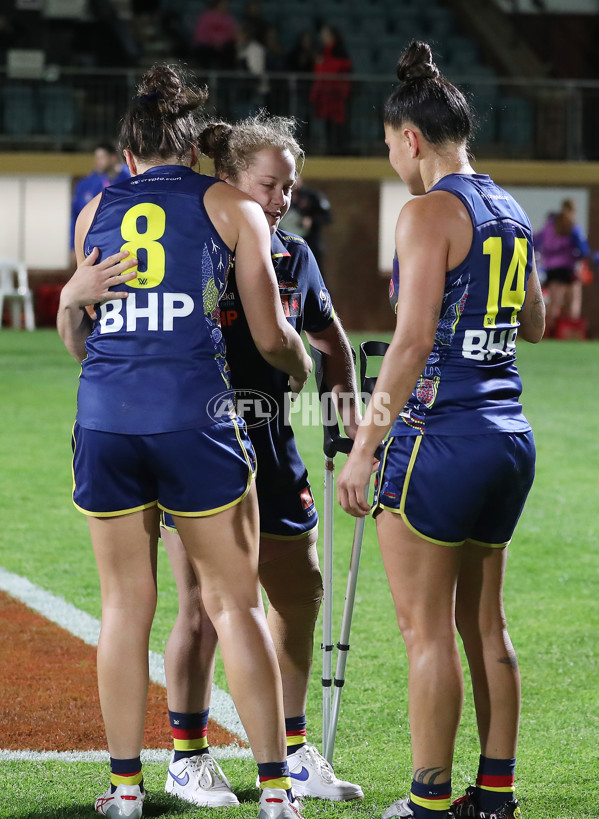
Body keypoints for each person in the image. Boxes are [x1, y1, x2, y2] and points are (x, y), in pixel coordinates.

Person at [57, 63, 312, 819]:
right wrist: (304, 363)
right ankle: (273, 793)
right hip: (195, 417)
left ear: (128, 153)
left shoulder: (95, 210)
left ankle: (128, 790)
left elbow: (82, 340)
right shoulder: (233, 206)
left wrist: (70, 299)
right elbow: (268, 338)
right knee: (235, 605)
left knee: (124, 609)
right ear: (194, 149)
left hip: (107, 417)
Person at [336, 41, 545, 819]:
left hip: (441, 438)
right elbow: (538, 319)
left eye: (389, 143)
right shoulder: (512, 210)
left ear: (410, 138)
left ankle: (426, 802)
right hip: (507, 437)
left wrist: (364, 446)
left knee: (424, 631)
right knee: (484, 622)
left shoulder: (426, 212)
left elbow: (413, 339)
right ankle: (494, 796)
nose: (390, 156)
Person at [159, 112, 364, 809]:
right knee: (201, 607)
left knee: (300, 587)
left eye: (288, 187)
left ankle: (292, 743)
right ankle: (187, 756)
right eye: (268, 185)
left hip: (273, 445)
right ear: (230, 183)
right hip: (201, 443)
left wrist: (348, 432)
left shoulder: (295, 257)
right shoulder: (194, 251)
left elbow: (334, 344)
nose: (280, 199)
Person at [534, 197, 590, 337]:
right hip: (569, 270)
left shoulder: (550, 226)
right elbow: (583, 250)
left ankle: (548, 334)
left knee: (553, 305)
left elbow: (535, 240)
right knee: (573, 305)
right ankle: (568, 335)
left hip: (553, 270)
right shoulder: (573, 228)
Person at [70, 142, 130, 251]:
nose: (97, 162)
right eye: (96, 158)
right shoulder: (87, 184)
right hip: (96, 246)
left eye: (101, 157)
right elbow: (76, 215)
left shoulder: (130, 179)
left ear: (113, 158)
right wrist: (73, 246)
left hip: (126, 244)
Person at [309, 24, 352, 155]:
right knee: (328, 123)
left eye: (325, 35)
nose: (322, 37)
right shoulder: (324, 50)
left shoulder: (339, 50)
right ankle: (330, 150)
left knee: (338, 124)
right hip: (327, 95)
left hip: (337, 95)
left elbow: (342, 68)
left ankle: (339, 151)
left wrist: (323, 64)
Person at [280, 175, 332, 271]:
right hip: (285, 243)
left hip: (309, 242)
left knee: (313, 271)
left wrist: (312, 220)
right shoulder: (279, 195)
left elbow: (327, 217)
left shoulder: (312, 196)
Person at [191, 0, 238, 69]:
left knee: (230, 51)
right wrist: (213, 42)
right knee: (203, 52)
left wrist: (222, 42)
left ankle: (226, 76)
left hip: (224, 46)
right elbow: (200, 34)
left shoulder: (229, 18)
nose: (225, 6)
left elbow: (232, 34)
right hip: (207, 46)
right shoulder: (206, 16)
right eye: (223, 4)